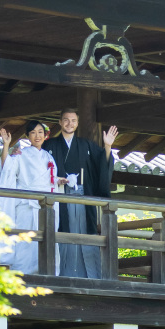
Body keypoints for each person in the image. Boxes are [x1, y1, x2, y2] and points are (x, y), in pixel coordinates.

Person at [43, 109, 118, 279]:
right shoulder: (50, 145)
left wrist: (107, 146)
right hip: (60, 196)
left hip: (83, 196)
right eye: (66, 120)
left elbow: (102, 163)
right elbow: (39, 166)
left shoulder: (86, 145)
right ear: (60, 122)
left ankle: (89, 275)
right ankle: (60, 273)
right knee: (62, 229)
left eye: (73, 121)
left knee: (85, 230)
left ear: (77, 123)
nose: (69, 124)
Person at [0, 120, 60, 275]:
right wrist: (6, 145)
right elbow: (7, 168)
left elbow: (50, 181)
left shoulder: (49, 157)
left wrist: (59, 181)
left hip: (46, 205)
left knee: (44, 239)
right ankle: (22, 273)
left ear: (45, 135)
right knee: (25, 240)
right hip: (27, 204)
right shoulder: (21, 154)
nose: (37, 136)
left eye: (40, 132)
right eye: (33, 133)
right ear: (28, 136)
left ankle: (44, 272)